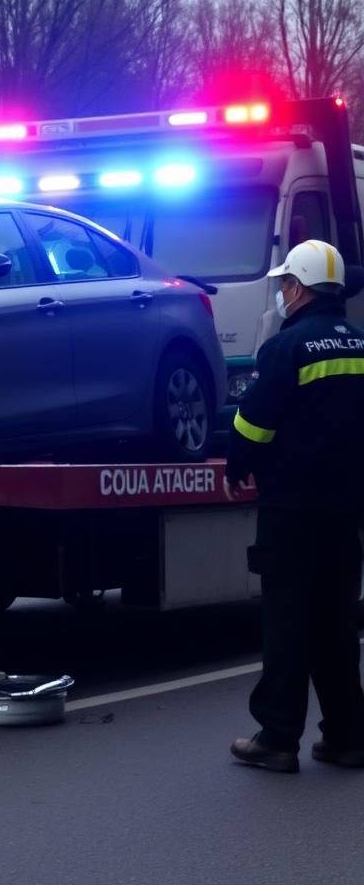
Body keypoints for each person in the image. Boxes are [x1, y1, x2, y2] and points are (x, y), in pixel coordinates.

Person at [224, 239, 364, 773]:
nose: (281, 291)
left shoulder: (286, 348)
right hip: (344, 510)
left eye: (284, 283)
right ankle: (349, 737)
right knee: (335, 622)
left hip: (291, 510)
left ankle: (278, 738)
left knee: (287, 623)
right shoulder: (360, 344)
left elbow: (254, 424)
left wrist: (237, 467)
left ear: (299, 287)